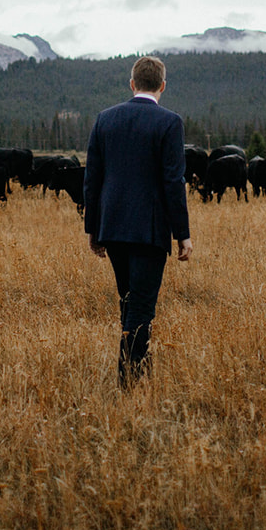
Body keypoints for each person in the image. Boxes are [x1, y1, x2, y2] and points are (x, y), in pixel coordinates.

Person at [83, 55, 192, 388]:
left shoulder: (105, 119)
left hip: (113, 227)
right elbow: (174, 181)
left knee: (129, 300)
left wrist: (93, 229)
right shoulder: (169, 122)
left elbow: (92, 178)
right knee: (141, 305)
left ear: (132, 84)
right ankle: (129, 381)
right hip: (149, 230)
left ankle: (139, 369)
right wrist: (183, 234)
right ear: (162, 85)